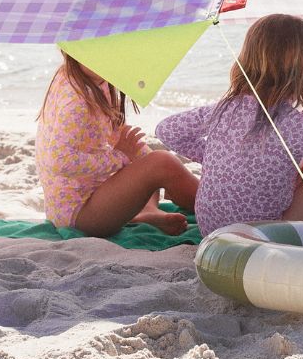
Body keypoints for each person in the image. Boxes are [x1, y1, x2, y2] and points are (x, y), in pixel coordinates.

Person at [155, 14, 303, 238]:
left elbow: (166, 130)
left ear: (244, 62)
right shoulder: (300, 125)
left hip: (214, 235)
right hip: (265, 240)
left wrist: (218, 154)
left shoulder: (223, 110)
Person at [35, 53, 199, 238]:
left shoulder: (91, 79)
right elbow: (59, 161)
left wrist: (138, 157)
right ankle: (218, 206)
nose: (107, 56)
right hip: (79, 213)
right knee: (162, 162)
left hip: (95, 192)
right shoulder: (76, 101)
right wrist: (121, 157)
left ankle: (146, 211)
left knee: (148, 159)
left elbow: (109, 133)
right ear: (73, 50)